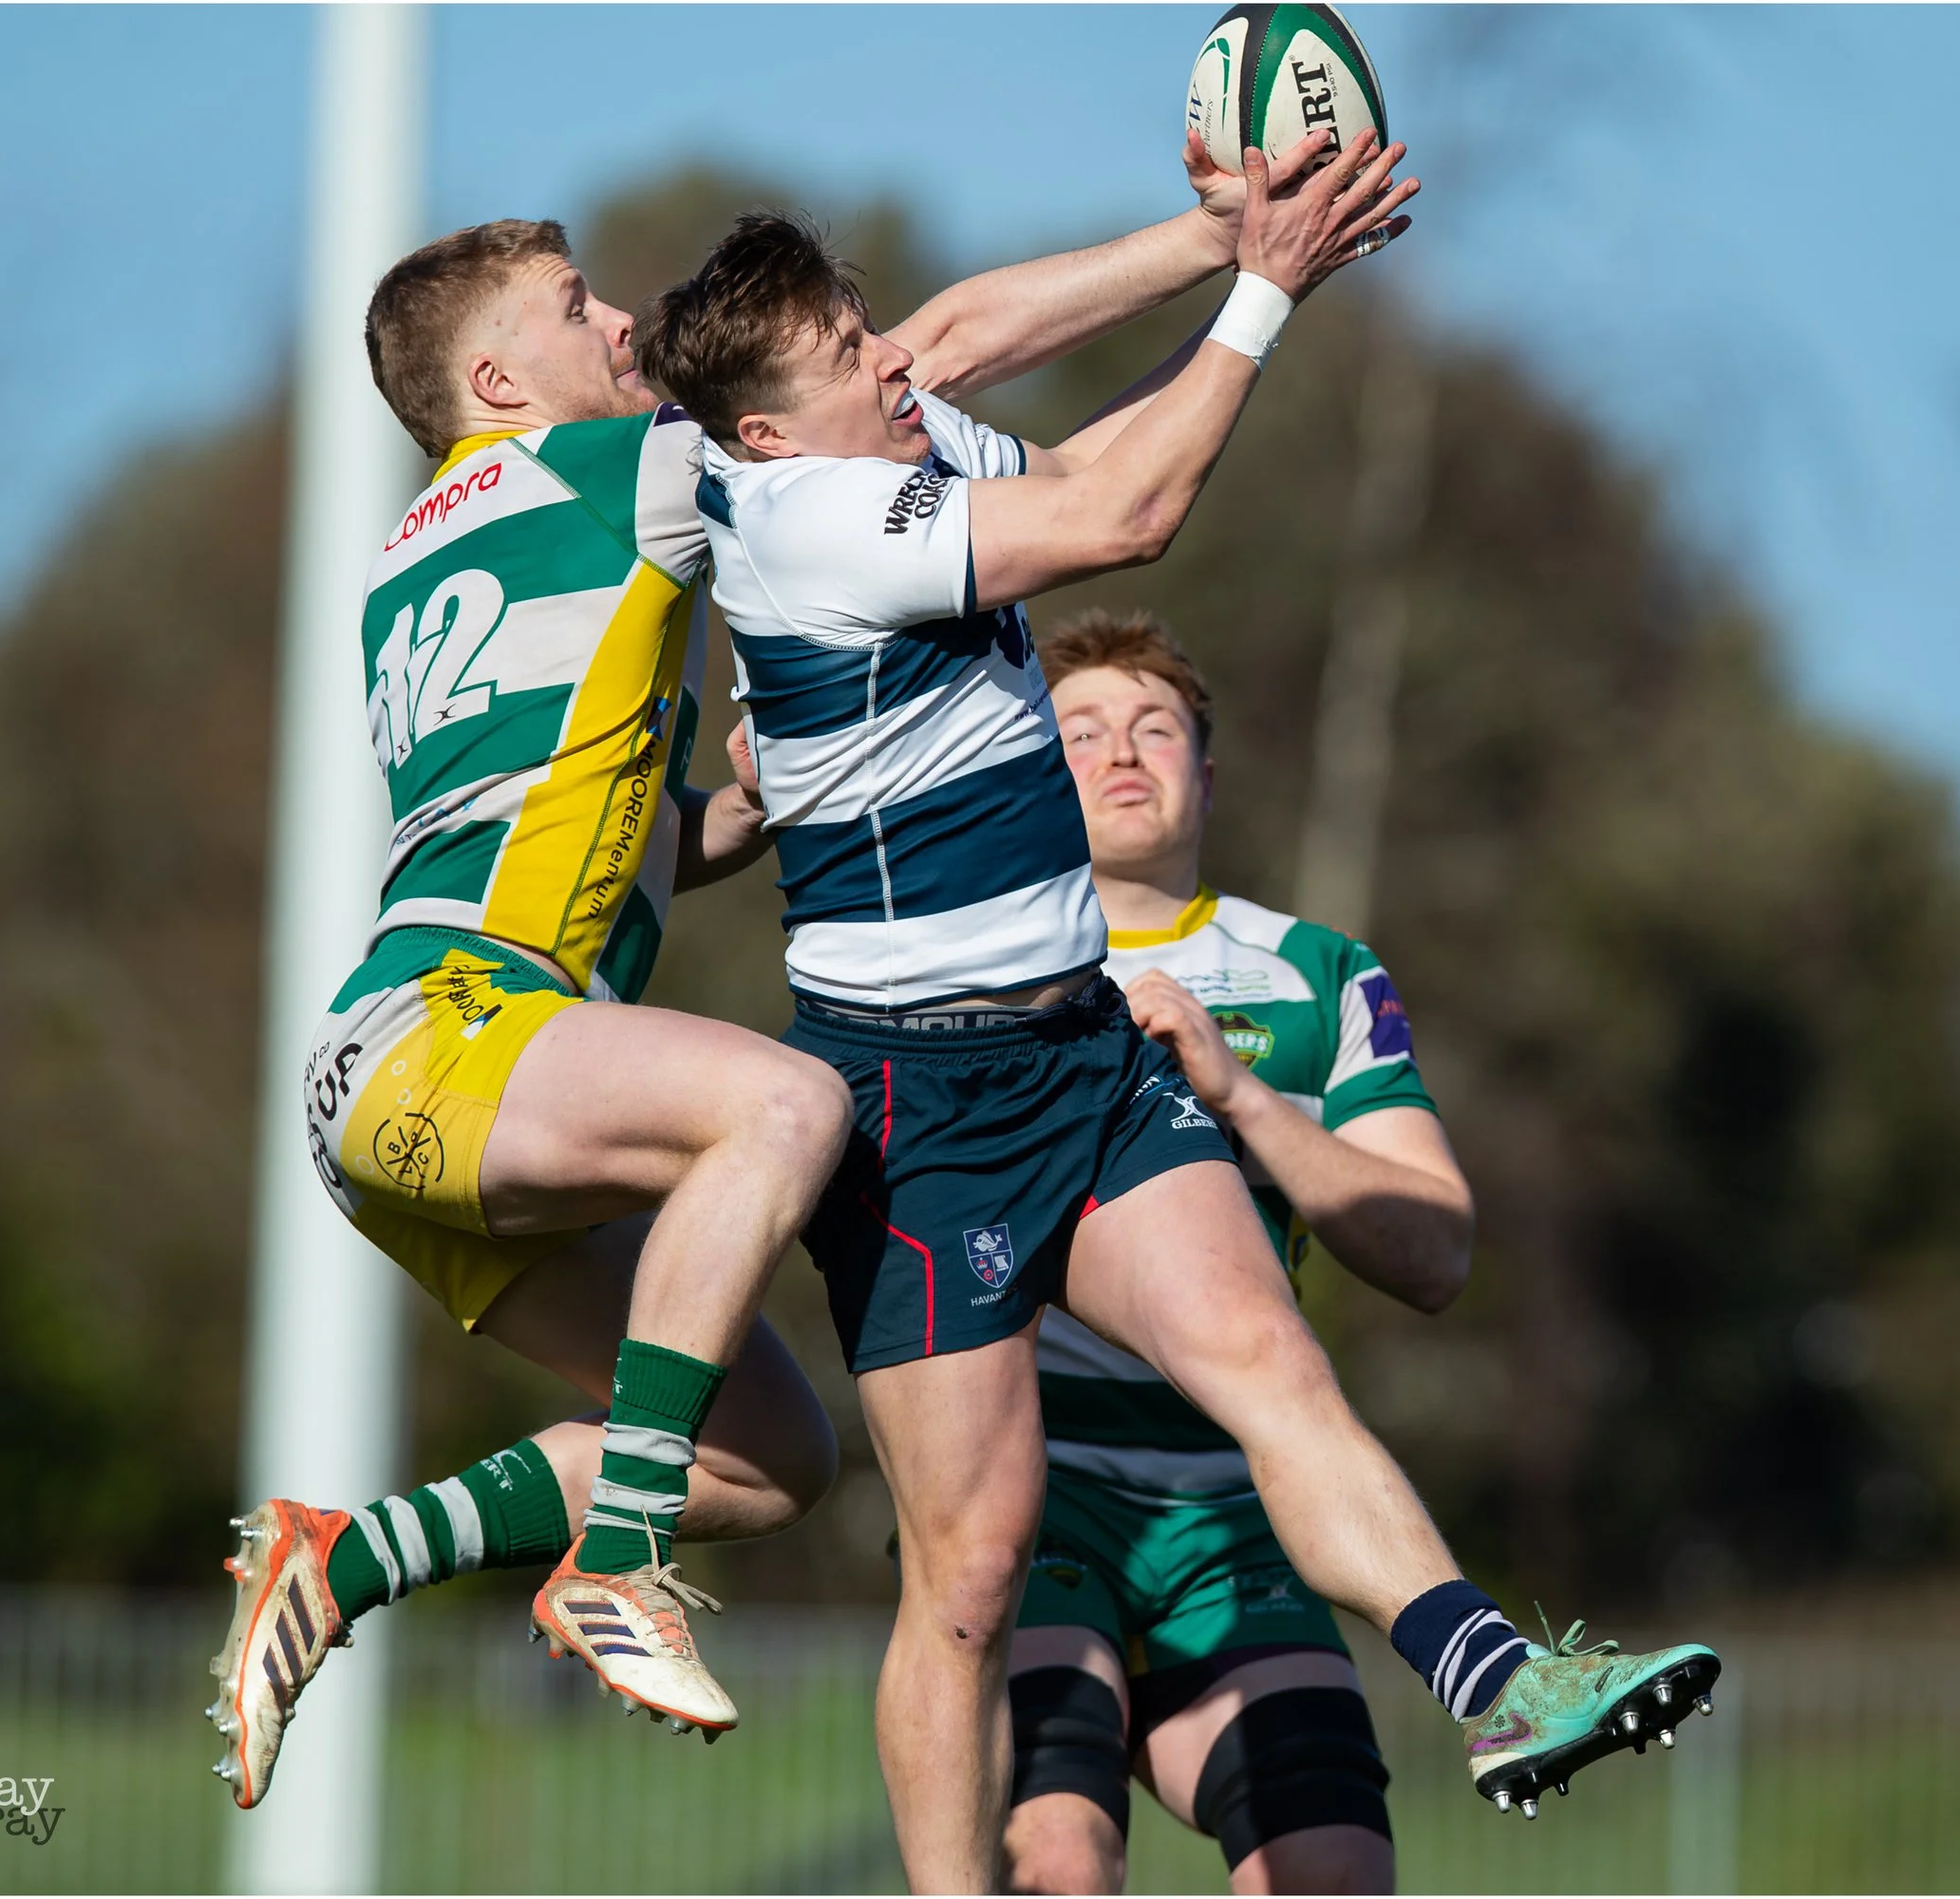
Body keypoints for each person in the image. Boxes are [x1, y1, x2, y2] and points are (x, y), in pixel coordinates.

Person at [212, 141, 1359, 1806]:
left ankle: (351, 1553)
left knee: (768, 1455)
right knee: (787, 1101)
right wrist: (1210, 240)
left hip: (409, 1077)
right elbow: (928, 349)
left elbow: (610, 822)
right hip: (459, 1033)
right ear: (493, 379)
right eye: (573, 304)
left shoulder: (411, 557)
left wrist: (751, 796)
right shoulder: (616, 469)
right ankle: (610, 1565)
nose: (620, 322)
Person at [634, 133, 1717, 1892]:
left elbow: (1015, 381)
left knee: (1270, 1362)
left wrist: (1222, 232)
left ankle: (1499, 1676)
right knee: (969, 1576)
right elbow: (1123, 510)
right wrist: (1268, 287)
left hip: (1078, 1052)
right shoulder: (822, 517)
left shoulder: (883, 441)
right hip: (918, 1117)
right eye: (851, 351)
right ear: (768, 432)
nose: (891, 357)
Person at [1002, 610, 1474, 1895]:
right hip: (1031, 1493)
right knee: (1058, 1854)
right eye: (1080, 731)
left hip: (1240, 1513)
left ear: (1206, 776)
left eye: (1156, 729)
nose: (1122, 753)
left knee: (1332, 1868)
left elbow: (1436, 1253)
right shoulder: (972, 962)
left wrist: (1247, 1102)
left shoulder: (1318, 975)